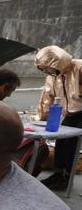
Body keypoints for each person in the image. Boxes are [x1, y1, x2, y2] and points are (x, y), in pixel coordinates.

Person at [35, 45, 82, 190]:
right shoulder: (53, 76)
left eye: (47, 68)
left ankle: (66, 178)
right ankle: (58, 174)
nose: (46, 71)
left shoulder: (79, 67)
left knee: (71, 143)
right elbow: (47, 97)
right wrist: (41, 120)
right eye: (44, 69)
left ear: (57, 62)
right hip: (70, 113)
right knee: (61, 142)